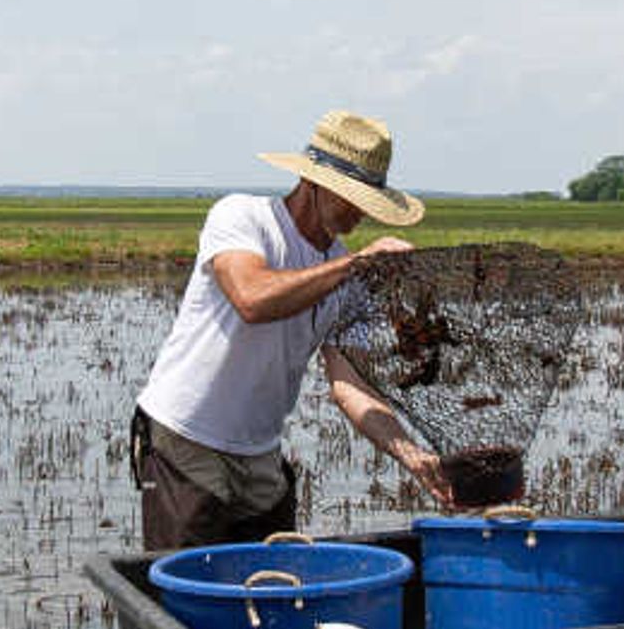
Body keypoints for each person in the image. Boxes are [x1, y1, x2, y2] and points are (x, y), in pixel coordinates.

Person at [130, 109, 455, 549]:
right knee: (185, 591)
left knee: (275, 581)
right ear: (314, 182)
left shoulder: (350, 283)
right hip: (188, 439)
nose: (360, 211)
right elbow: (253, 299)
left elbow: (351, 388)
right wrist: (355, 263)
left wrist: (411, 454)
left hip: (259, 452)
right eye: (350, 195)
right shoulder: (244, 218)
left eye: (366, 200)